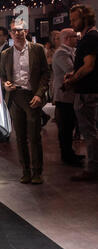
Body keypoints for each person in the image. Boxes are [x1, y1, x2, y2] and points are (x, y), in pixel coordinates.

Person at [0, 20, 50, 184]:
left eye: (20, 30)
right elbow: (1, 76)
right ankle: (26, 171)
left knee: (34, 137)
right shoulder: (6, 54)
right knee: (20, 138)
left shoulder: (37, 49)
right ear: (11, 33)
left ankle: (37, 172)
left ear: (26, 31)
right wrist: (5, 84)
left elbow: (45, 74)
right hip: (14, 97)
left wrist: (39, 94)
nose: (17, 33)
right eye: (14, 31)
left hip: (32, 97)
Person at [63, 4, 98, 181]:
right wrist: (74, 74)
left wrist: (73, 79)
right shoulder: (89, 37)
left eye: (74, 19)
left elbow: (89, 66)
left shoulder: (91, 37)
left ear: (84, 18)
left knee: (90, 133)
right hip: (87, 91)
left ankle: (92, 170)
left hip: (87, 93)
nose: (72, 22)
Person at [52, 28, 84, 167]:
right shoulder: (61, 53)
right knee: (65, 128)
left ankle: (70, 153)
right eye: (74, 36)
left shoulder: (71, 51)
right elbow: (71, 70)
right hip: (64, 96)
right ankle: (67, 156)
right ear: (66, 39)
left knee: (69, 126)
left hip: (70, 96)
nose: (77, 38)